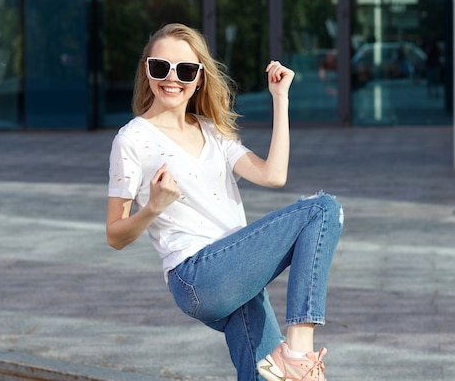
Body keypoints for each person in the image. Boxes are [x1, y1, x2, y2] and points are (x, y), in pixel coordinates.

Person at [106, 22, 343, 381]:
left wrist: (280, 99)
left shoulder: (212, 131)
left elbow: (273, 175)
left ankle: (287, 362)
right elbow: (114, 235)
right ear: (146, 70)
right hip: (197, 275)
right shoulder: (133, 140)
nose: (172, 79)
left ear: (199, 77)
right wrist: (153, 206)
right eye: (160, 67)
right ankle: (297, 353)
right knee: (322, 210)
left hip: (233, 273)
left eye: (184, 70)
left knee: (262, 373)